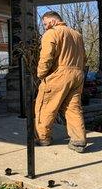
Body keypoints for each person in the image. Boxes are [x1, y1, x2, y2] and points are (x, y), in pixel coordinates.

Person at [34, 11, 87, 153]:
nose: (45, 27)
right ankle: (78, 140)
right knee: (73, 108)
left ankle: (43, 137)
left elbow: (46, 57)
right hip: (78, 74)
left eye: (45, 23)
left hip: (59, 74)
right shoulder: (77, 35)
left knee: (45, 105)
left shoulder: (51, 33)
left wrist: (41, 74)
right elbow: (84, 57)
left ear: (52, 21)